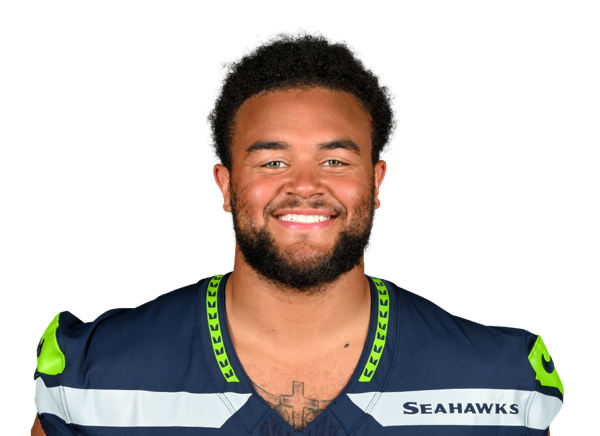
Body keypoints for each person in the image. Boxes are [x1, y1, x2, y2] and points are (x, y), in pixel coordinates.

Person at [32, 28, 563, 435]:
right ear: (225, 185)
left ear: (376, 182)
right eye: (272, 162)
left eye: (335, 161)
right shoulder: (93, 376)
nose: (305, 186)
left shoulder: (503, 384)